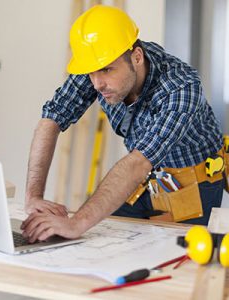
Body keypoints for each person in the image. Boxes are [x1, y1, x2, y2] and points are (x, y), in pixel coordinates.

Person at [21, 5, 224, 243]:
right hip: (147, 180)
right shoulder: (99, 67)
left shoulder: (181, 88)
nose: (97, 84)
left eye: (106, 70)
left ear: (137, 57)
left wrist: (76, 223)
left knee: (181, 262)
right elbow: (51, 119)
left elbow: (138, 162)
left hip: (193, 187)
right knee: (100, 243)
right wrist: (33, 196)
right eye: (91, 73)